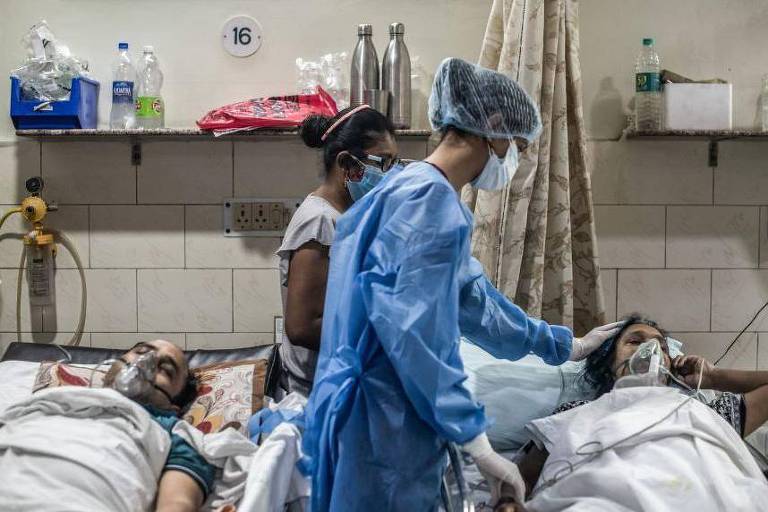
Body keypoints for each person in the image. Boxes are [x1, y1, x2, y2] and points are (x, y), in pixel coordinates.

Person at [301, 57, 621, 511]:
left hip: (364, 416)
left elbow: (472, 302)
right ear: (492, 127)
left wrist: (563, 346)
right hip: (383, 425)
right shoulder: (429, 204)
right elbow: (416, 335)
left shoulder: (407, 190)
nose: (516, 157)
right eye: (517, 145)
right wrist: (477, 441)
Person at [501, 314, 768, 511]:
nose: (650, 350)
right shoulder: (575, 411)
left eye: (661, 346)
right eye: (634, 341)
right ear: (608, 363)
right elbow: (520, 475)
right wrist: (508, 502)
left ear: (671, 362)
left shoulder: (707, 411)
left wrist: (714, 377)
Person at [0, 340, 215, 512]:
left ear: (174, 406)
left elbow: (176, 505)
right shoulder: (51, 398)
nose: (145, 362)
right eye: (140, 351)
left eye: (165, 370)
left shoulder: (172, 431)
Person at [277, 105, 400, 396]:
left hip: (346, 374)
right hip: (318, 389)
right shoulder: (320, 222)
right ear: (346, 163)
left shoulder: (349, 215)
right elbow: (302, 326)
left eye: (394, 163)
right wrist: (382, 334)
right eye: (382, 163)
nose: (390, 175)